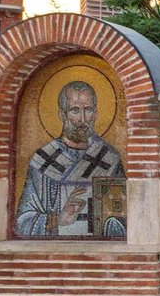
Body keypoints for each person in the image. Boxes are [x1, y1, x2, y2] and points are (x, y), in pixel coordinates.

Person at [16, 80, 126, 237]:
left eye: (88, 110)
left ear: (95, 113)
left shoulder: (109, 158)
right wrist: (57, 219)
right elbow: (22, 223)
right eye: (75, 110)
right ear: (62, 115)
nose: (83, 119)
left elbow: (126, 214)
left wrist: (112, 222)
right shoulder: (43, 160)